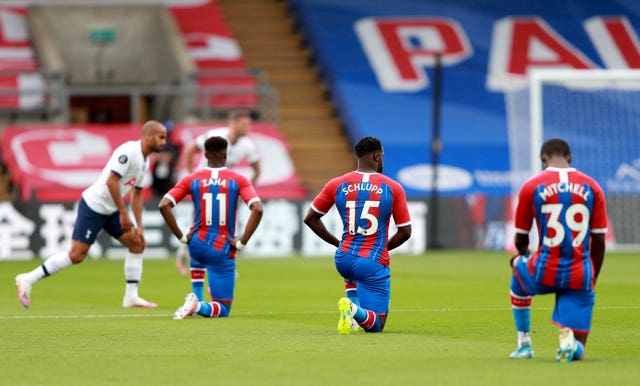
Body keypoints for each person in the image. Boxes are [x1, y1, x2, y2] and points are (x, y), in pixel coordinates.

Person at [15, 120, 168, 308]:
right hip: (94, 206)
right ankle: (28, 278)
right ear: (148, 136)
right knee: (77, 255)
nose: (164, 142)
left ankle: (131, 297)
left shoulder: (145, 162)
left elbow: (137, 195)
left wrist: (140, 227)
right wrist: (123, 213)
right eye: (161, 137)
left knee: (137, 243)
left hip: (112, 209)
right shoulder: (129, 152)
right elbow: (112, 182)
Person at [508, 138, 607, 362]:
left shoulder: (531, 186)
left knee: (516, 266)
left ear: (543, 159)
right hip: (580, 273)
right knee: (578, 350)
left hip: (544, 269)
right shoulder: (592, 186)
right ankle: (571, 347)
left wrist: (524, 257)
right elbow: (599, 241)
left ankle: (524, 344)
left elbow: (520, 238)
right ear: (570, 158)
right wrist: (591, 278)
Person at [303, 136, 411, 334]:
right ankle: (353, 310)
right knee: (377, 324)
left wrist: (338, 243)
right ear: (377, 156)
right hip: (370, 261)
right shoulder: (392, 187)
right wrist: (381, 249)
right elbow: (405, 231)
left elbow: (310, 219)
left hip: (343, 258)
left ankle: (351, 319)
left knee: (353, 270)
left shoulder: (337, 184)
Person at [159, 136, 263, 320]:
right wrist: (241, 243)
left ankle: (195, 301)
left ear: (205, 154)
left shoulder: (192, 179)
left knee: (198, 261)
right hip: (221, 247)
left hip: (196, 242)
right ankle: (197, 305)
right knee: (223, 309)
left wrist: (182, 237)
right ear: (226, 154)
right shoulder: (238, 180)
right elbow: (257, 209)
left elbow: (164, 204)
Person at [176, 108, 261, 275]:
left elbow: (257, 169)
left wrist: (247, 189)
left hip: (225, 188)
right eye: (244, 124)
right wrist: (192, 176)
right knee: (201, 223)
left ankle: (226, 262)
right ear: (233, 123)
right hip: (205, 185)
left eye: (249, 125)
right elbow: (189, 150)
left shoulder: (247, 145)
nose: (247, 128)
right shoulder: (216, 136)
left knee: (229, 224)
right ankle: (184, 253)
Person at [151, 120, 180, 198]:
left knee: (167, 191)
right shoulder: (157, 144)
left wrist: (161, 156)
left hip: (168, 174)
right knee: (156, 190)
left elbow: (170, 157)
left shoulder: (173, 145)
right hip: (157, 173)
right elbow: (154, 155)